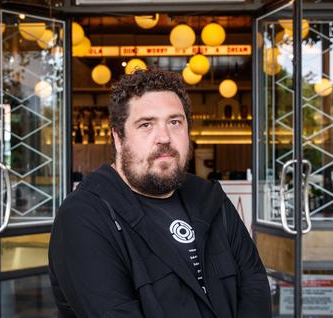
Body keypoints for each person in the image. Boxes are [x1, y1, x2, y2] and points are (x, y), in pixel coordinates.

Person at [48, 68, 271, 318]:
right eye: (146, 124)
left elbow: (254, 284)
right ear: (118, 138)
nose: (164, 137)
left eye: (175, 122)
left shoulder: (210, 198)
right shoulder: (85, 217)